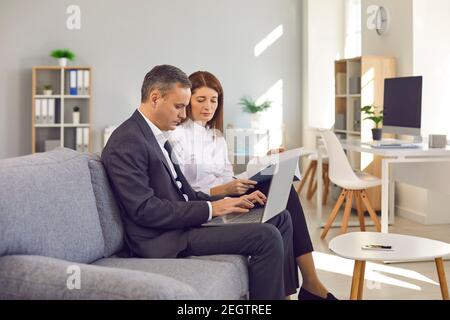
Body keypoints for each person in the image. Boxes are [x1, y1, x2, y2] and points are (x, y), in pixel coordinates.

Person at [102, 65, 299, 300]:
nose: (184, 115)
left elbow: (186, 194)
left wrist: (228, 200)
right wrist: (211, 208)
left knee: (280, 217)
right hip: (163, 238)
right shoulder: (128, 140)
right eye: (179, 106)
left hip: (184, 222)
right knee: (266, 237)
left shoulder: (155, 136)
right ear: (155, 98)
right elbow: (144, 210)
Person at [169, 71, 337, 300]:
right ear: (188, 100)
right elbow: (184, 193)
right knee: (283, 202)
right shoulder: (176, 137)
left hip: (227, 195)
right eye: (201, 100)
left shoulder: (215, 136)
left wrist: (263, 163)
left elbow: (227, 176)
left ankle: (306, 284)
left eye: (214, 100)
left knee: (281, 184)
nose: (208, 106)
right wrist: (223, 191)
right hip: (208, 205)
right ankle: (310, 285)